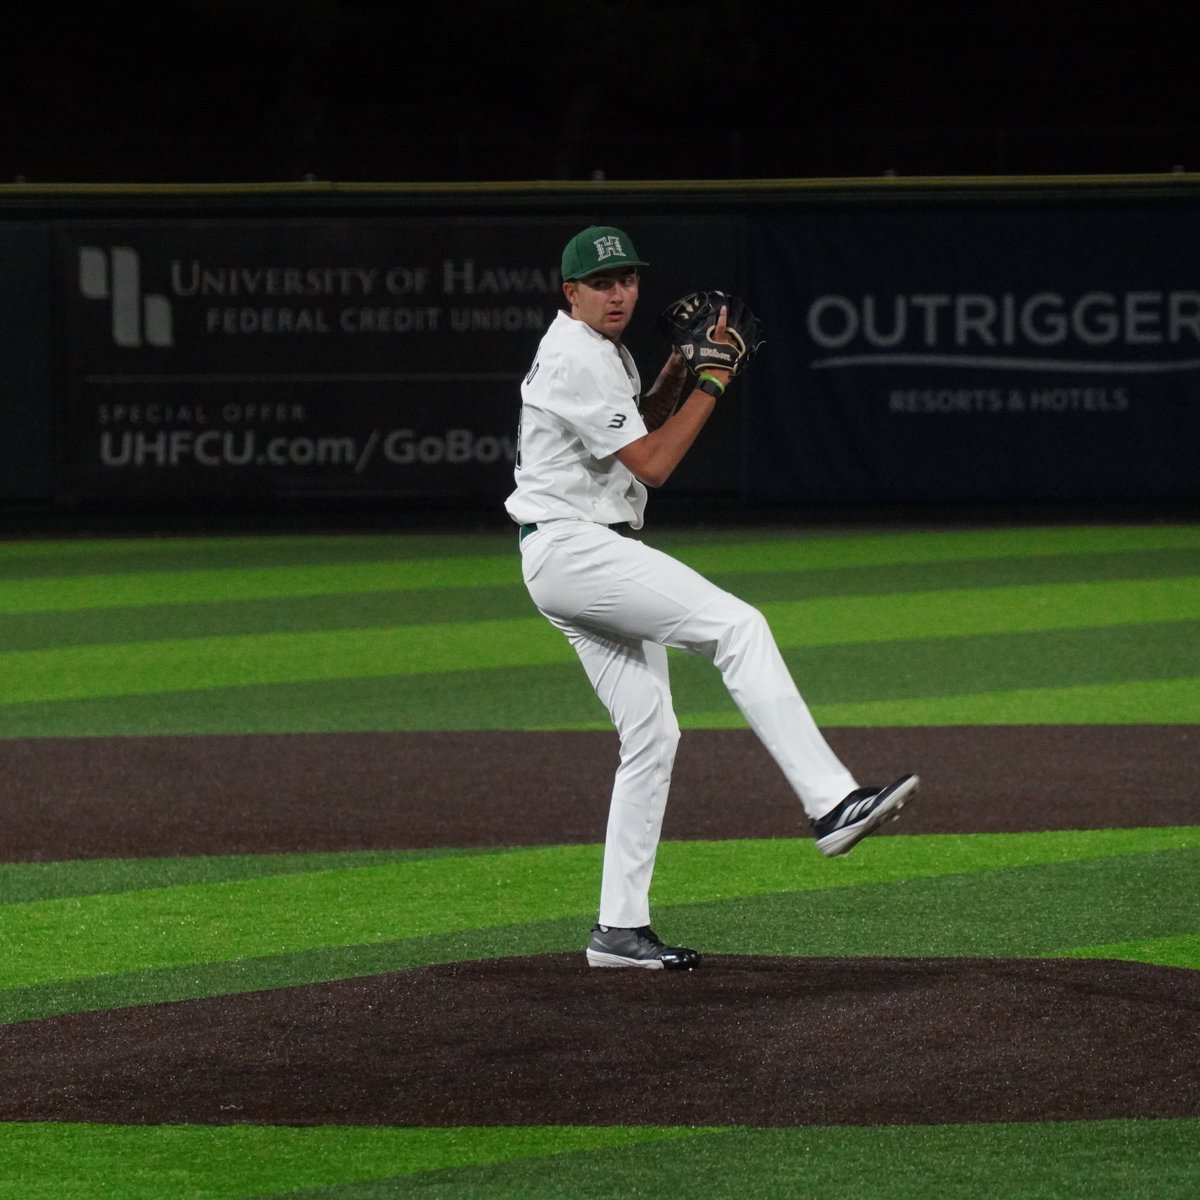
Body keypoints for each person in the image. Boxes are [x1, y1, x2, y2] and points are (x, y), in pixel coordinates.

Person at [504, 224, 918, 970]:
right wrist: (712, 383)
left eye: (628, 278)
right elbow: (655, 465)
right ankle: (830, 803)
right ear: (571, 292)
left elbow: (637, 424)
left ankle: (618, 932)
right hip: (576, 547)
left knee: (652, 737)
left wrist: (673, 368)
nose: (620, 292)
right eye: (603, 283)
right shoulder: (574, 356)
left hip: (568, 553)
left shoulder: (601, 353)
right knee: (739, 627)